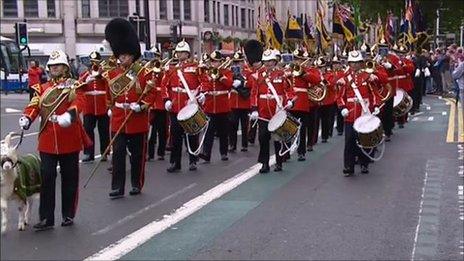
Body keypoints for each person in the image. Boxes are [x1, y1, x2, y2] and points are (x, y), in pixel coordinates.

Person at [19, 50, 89, 231]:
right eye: (51, 66)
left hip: (69, 138)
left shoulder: (74, 86)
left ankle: (67, 214)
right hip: (48, 139)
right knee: (47, 177)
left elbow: (79, 103)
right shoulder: (42, 88)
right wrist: (27, 117)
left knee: (70, 178)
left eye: (57, 65)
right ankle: (46, 217)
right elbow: (35, 105)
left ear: (65, 68)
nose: (53, 68)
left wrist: (70, 115)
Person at [104, 18, 155, 199]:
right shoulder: (112, 74)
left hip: (137, 119)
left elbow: (151, 93)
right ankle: (117, 187)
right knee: (117, 154)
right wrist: (110, 106)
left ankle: (136, 183)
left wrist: (141, 106)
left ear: (133, 56)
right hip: (119, 118)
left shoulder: (142, 72)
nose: (123, 58)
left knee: (137, 155)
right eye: (121, 56)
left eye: (126, 56)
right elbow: (108, 93)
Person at [337, 50, 381, 176]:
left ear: (361, 63)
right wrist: (342, 108)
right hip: (350, 115)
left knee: (364, 140)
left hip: (364, 113)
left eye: (357, 63)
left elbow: (374, 94)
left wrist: (376, 106)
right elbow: (340, 97)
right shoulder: (345, 79)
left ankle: (364, 163)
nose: (355, 65)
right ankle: (348, 166)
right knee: (349, 141)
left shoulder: (367, 77)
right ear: (349, 64)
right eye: (352, 63)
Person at [250, 48, 295, 173]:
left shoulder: (282, 74)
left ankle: (279, 162)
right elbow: (254, 93)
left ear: (275, 62)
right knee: (263, 138)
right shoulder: (258, 75)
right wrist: (254, 108)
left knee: (277, 138)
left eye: (270, 61)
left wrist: (290, 101)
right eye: (266, 61)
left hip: (277, 110)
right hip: (263, 111)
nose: (268, 64)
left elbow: (288, 91)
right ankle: (265, 163)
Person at [161, 39, 202, 173]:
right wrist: (166, 99)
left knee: (192, 134)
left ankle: (193, 160)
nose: (180, 55)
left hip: (189, 105)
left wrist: (200, 95)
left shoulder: (196, 67)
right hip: (175, 107)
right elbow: (164, 86)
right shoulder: (172, 69)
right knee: (175, 136)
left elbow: (203, 83)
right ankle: (175, 162)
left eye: (183, 52)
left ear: (188, 54)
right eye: (178, 52)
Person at [197, 50, 233, 162]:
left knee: (223, 131)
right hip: (210, 105)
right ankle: (206, 154)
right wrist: (203, 93)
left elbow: (229, 84)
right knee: (209, 131)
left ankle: (224, 153)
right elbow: (204, 85)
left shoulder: (226, 72)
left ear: (221, 62)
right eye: (212, 61)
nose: (214, 64)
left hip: (222, 106)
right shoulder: (207, 73)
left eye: (216, 62)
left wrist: (220, 76)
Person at [288, 49, 321, 161]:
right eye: (296, 59)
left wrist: (303, 73)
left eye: (300, 59)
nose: (298, 61)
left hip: (302, 103)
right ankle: (286, 153)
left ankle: (301, 152)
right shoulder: (288, 69)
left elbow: (317, 80)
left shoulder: (307, 70)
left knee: (302, 129)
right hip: (290, 102)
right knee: (288, 128)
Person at [79, 51, 110, 163]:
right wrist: (86, 80)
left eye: (95, 63)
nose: (93, 65)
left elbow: (110, 84)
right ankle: (88, 153)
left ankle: (105, 153)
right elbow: (78, 86)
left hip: (102, 106)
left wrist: (101, 75)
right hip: (89, 108)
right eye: (92, 63)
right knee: (87, 131)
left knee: (104, 131)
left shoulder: (104, 74)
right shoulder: (85, 75)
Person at [146, 47, 168, 161]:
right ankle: (150, 153)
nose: (155, 59)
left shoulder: (163, 71)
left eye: (157, 56)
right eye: (153, 56)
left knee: (162, 130)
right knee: (151, 132)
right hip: (151, 105)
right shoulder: (147, 71)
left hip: (161, 104)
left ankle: (161, 152)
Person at [228, 51, 252, 153]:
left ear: (243, 61)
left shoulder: (248, 72)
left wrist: (242, 82)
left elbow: (251, 84)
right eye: (236, 62)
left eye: (240, 62)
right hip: (233, 102)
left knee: (244, 125)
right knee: (232, 124)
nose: (238, 64)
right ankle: (232, 144)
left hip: (244, 102)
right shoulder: (230, 71)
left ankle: (244, 145)